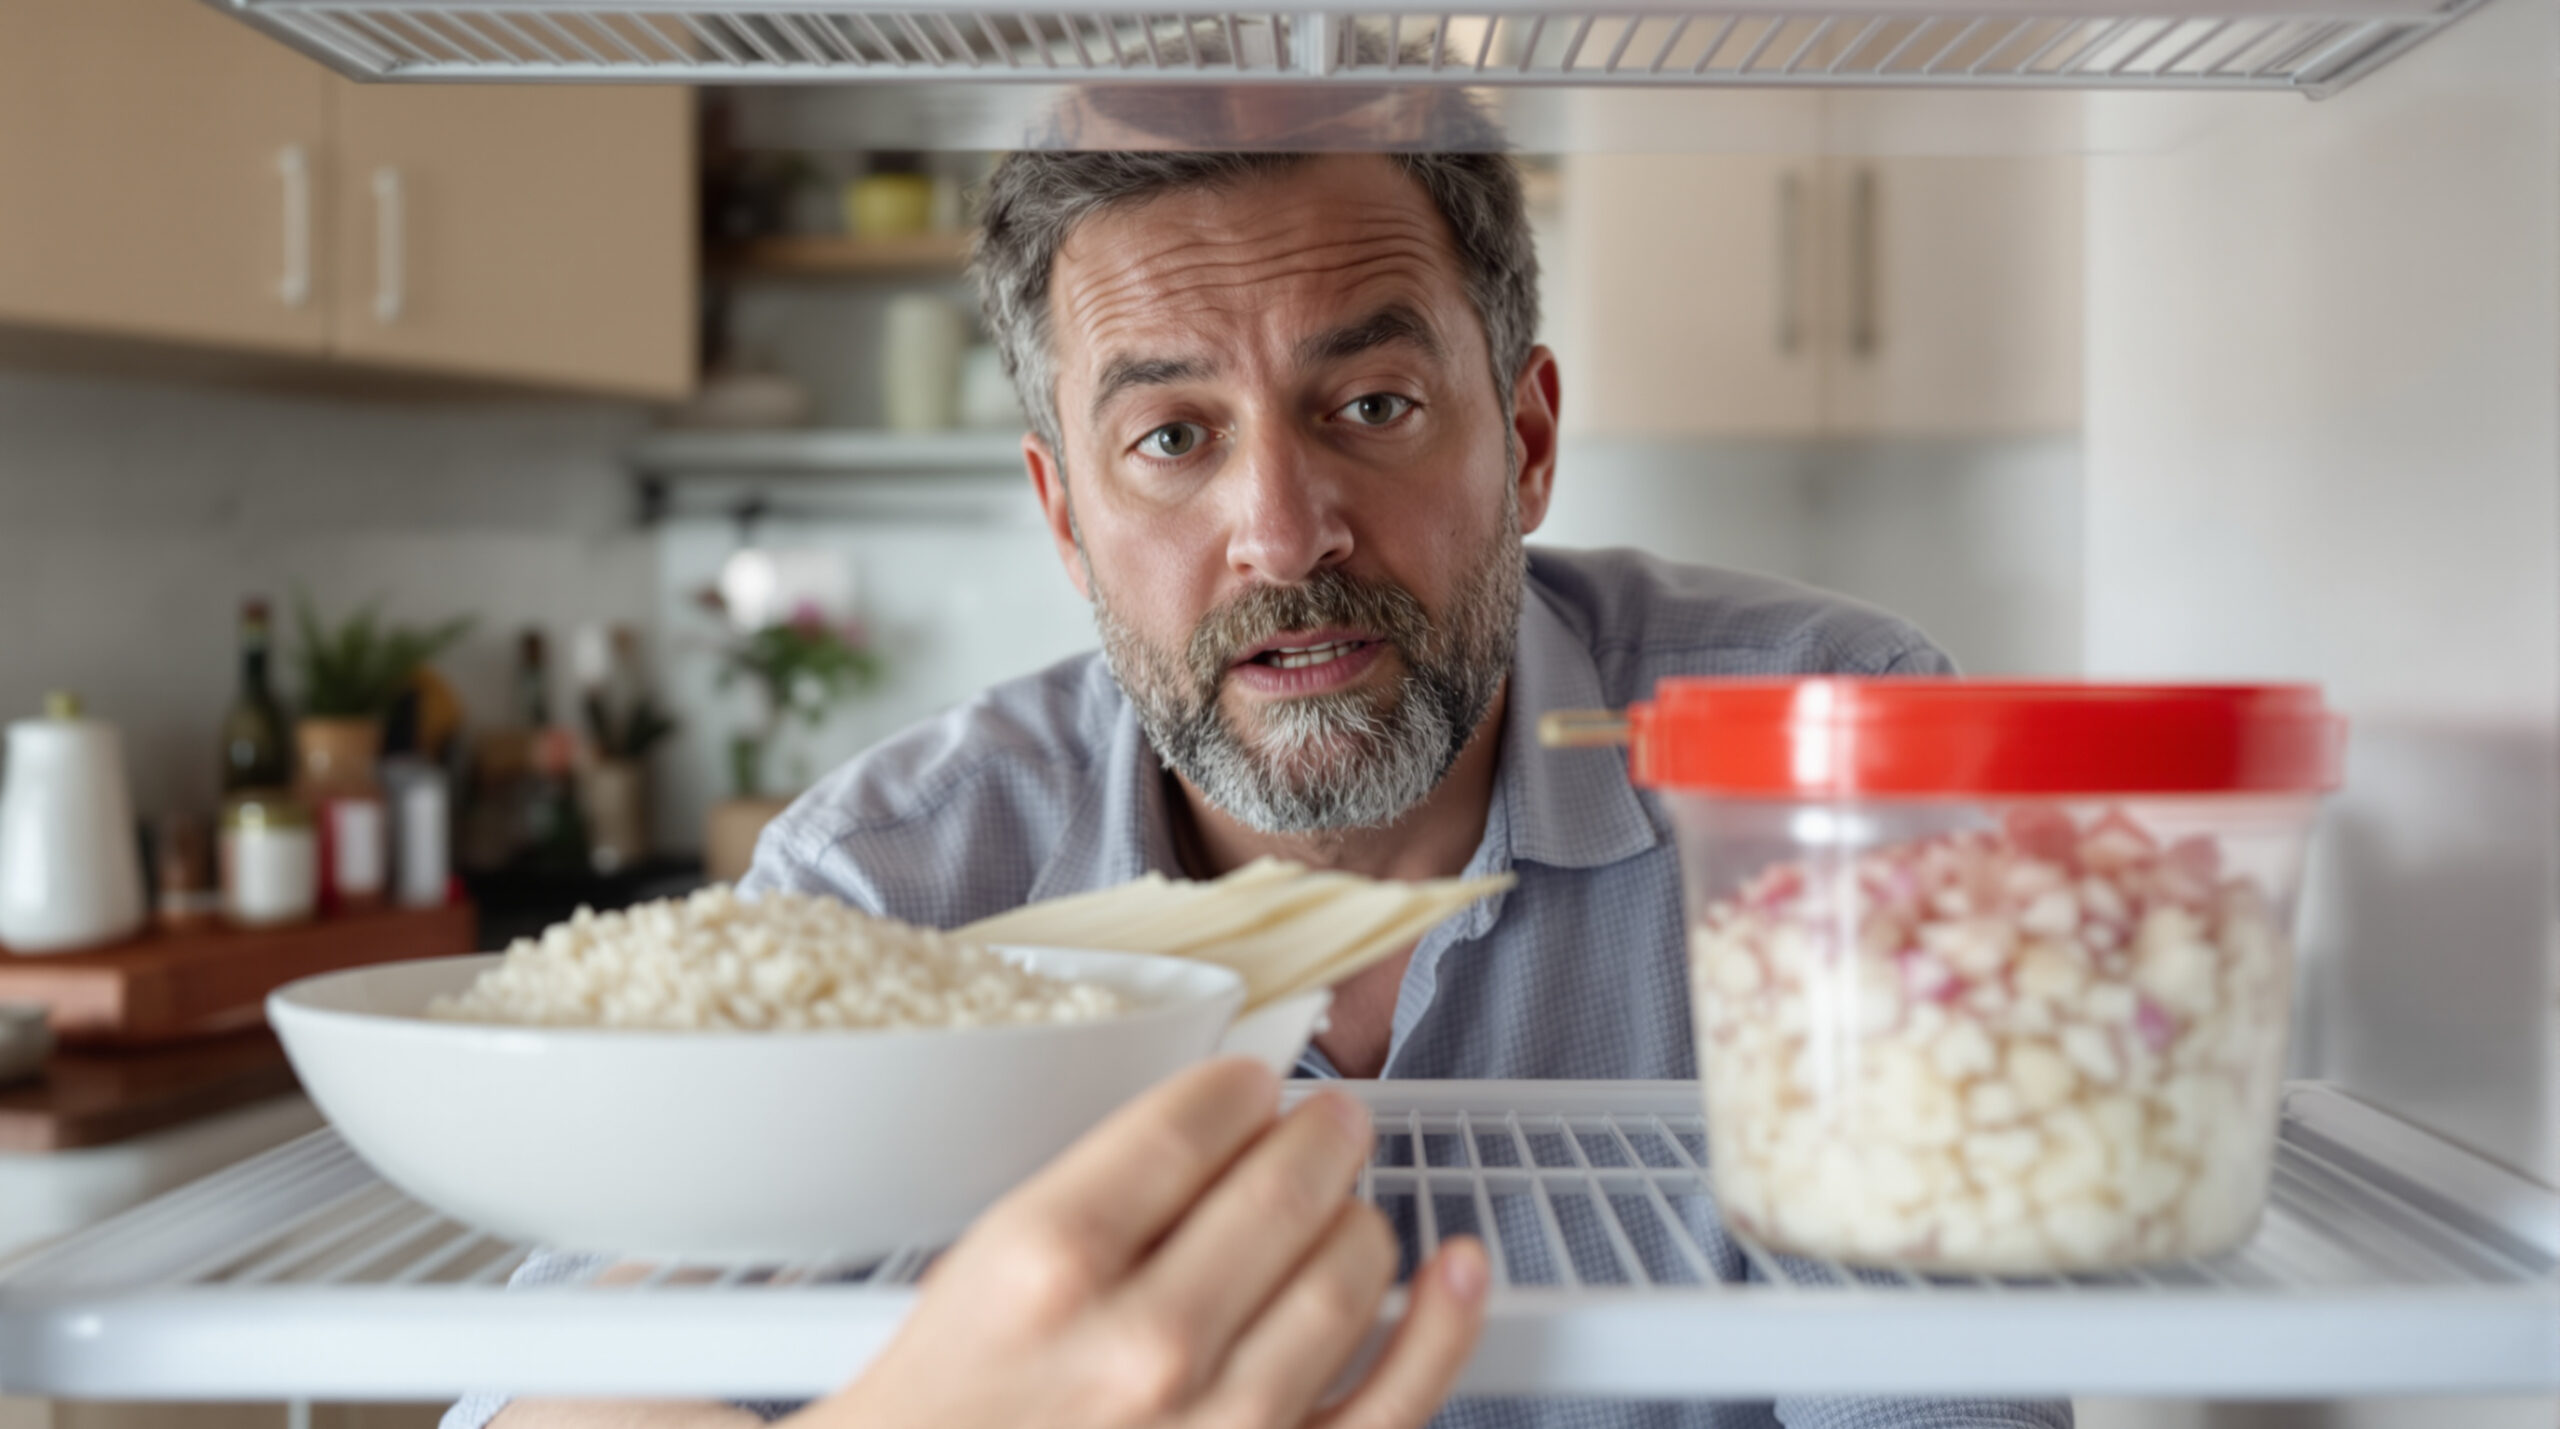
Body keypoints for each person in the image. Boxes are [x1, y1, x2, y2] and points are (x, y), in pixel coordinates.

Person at [475, 146, 2074, 1429]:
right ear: (1063, 513)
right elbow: (536, 1385)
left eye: (1371, 406)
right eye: (1172, 437)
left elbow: (1931, 1398)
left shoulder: (1831, 761)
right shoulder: (897, 884)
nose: (1285, 530)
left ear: (1523, 438)